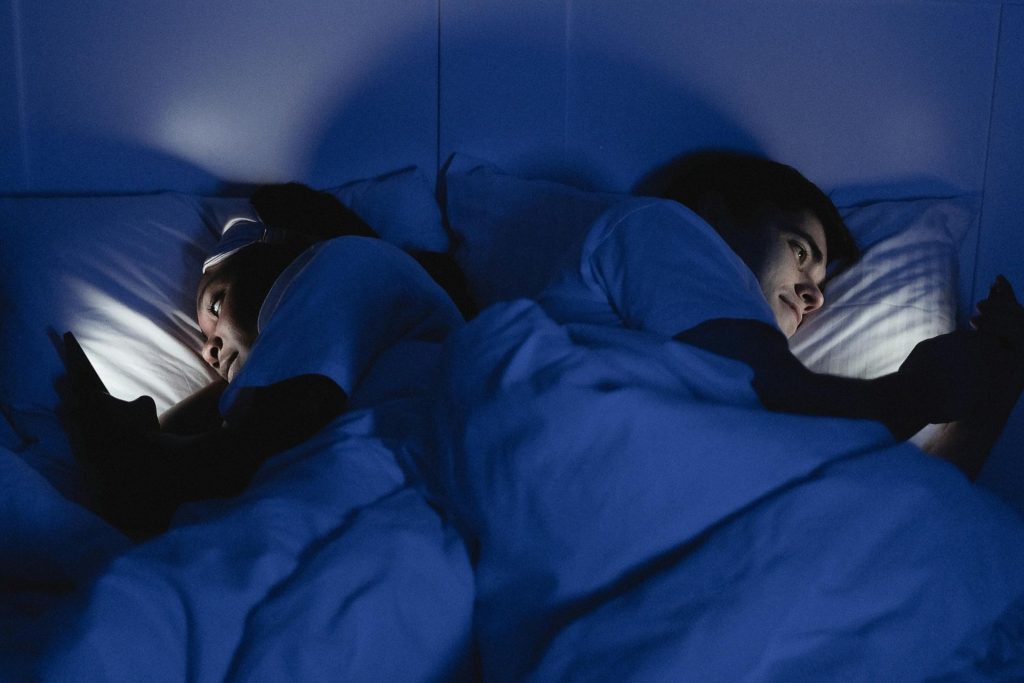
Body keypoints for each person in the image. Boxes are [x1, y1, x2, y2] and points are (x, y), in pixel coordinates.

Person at [539, 149, 1024, 478]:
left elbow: (886, 508)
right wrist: (926, 390)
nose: (815, 298)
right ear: (714, 213)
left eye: (819, 285)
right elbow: (777, 400)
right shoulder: (659, 228)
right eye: (799, 251)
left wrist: (990, 397)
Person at [65, 184, 466, 539]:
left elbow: (245, 454)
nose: (210, 351)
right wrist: (142, 431)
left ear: (283, 251)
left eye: (217, 303)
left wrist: (124, 446)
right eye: (207, 343)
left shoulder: (341, 261)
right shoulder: (317, 350)